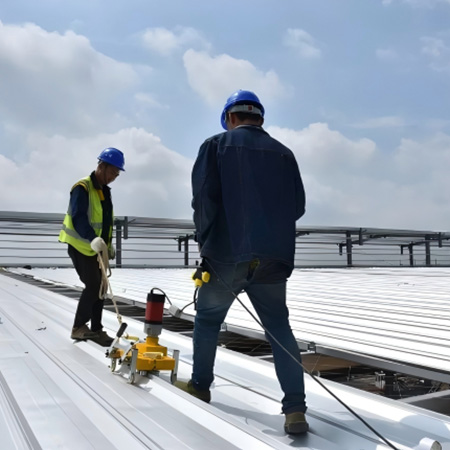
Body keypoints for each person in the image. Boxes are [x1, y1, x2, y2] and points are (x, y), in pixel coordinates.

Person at [177, 90, 308, 434]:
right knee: (279, 328)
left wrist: (206, 242)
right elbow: (297, 207)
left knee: (208, 321)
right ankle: (295, 409)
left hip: (226, 254)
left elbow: (204, 201)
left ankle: (200, 386)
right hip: (274, 259)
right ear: (260, 118)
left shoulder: (215, 146)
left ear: (230, 118)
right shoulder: (285, 154)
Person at [58, 147, 125, 347]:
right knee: (94, 285)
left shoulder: (104, 191)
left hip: (96, 249)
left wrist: (108, 245)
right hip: (80, 245)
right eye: (112, 172)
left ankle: (96, 329)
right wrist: (92, 238)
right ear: (101, 166)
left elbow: (105, 222)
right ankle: (78, 327)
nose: (113, 178)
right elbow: (78, 217)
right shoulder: (82, 187)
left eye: (116, 175)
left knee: (102, 287)